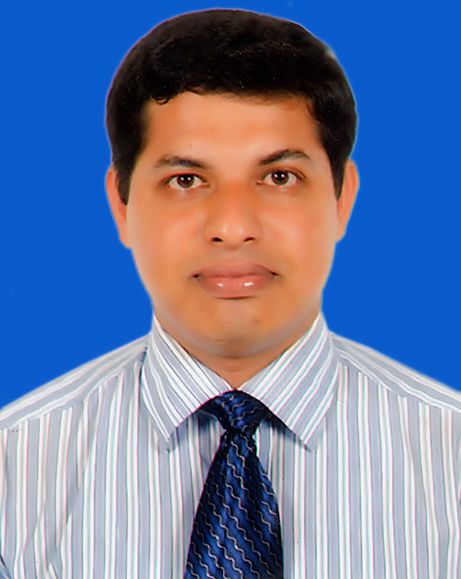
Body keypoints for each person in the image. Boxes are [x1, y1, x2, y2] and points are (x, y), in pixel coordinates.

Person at [1, 8, 460, 579]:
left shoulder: (450, 462)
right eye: (186, 180)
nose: (233, 226)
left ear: (342, 199)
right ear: (121, 205)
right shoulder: (14, 472)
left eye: (279, 177)